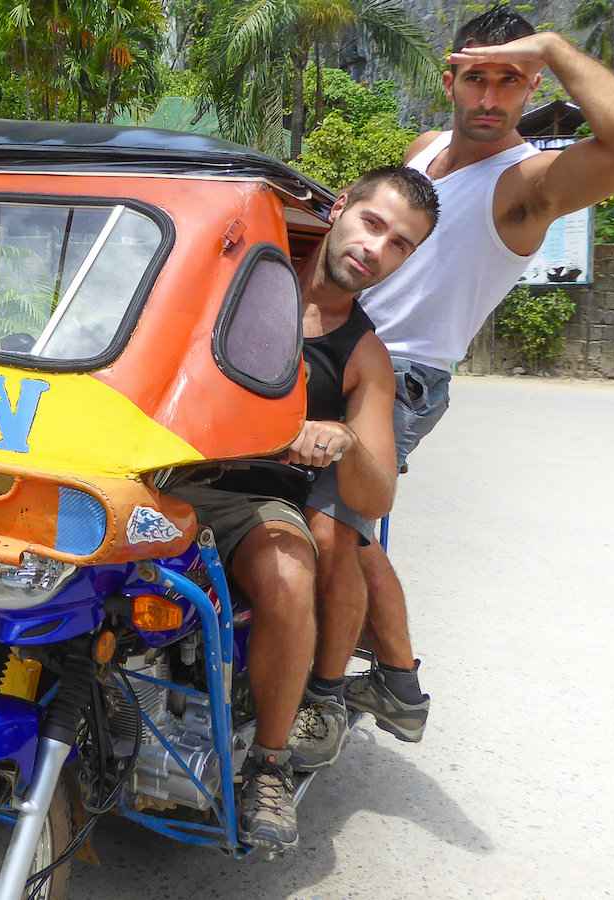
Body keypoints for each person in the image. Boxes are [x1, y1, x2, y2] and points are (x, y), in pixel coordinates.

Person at [295, 2, 614, 760]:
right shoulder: (424, 150)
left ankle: (323, 702)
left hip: (405, 373)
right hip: (334, 345)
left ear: (531, 87)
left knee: (337, 527)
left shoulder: (526, 182)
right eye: (477, 78)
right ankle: (394, 680)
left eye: (513, 81)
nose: (491, 100)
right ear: (450, 77)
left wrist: (554, 46)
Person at [170, 166, 440, 849]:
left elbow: (375, 496)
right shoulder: (237, 279)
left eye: (401, 244)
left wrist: (347, 438)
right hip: (163, 473)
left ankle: (269, 762)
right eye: (373, 224)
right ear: (341, 208)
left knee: (292, 570)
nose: (377, 248)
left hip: (254, 504)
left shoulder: (364, 356)